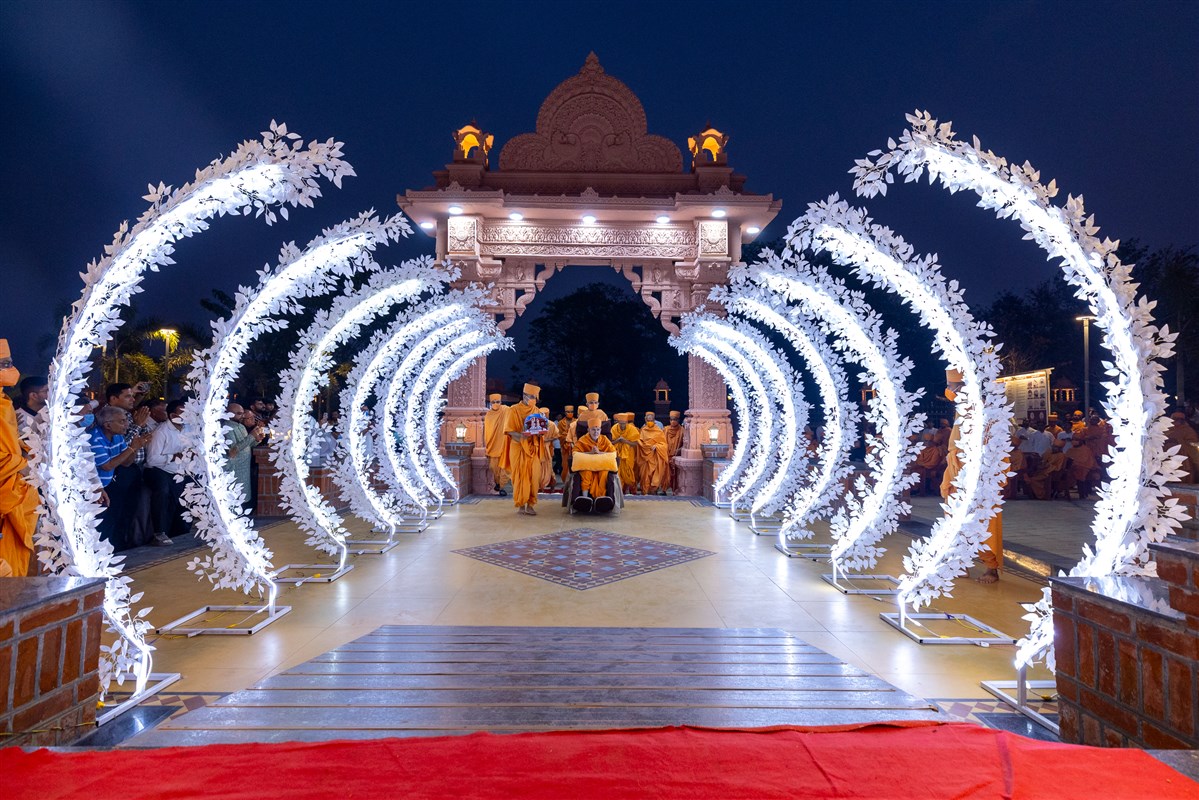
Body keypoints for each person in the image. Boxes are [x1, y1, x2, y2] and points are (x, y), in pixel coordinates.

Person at [939, 369, 1002, 583]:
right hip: (956, 469)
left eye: (951, 387)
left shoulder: (980, 408)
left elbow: (991, 441)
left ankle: (991, 568)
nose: (948, 391)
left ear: (963, 387)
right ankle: (960, 563)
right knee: (955, 517)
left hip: (977, 472)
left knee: (982, 518)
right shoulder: (960, 408)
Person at [89, 405, 153, 551]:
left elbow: (126, 462)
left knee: (115, 518)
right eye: (122, 421)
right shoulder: (95, 437)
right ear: (108, 425)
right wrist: (132, 448)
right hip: (94, 487)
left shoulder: (117, 436)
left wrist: (136, 447)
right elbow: (107, 466)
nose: (127, 424)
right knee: (100, 523)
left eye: (126, 420)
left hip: (109, 483)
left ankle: (114, 549)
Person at [0, 341, 39, 576]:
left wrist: (26, 449)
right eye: (5, 364)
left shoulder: (4, 401)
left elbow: (9, 441)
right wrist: (23, 465)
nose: (12, 369)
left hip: (13, 486)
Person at [144, 399, 189, 546]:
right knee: (163, 493)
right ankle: (159, 532)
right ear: (172, 415)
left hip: (181, 471)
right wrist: (173, 456)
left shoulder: (188, 429)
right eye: (183, 413)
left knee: (186, 498)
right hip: (160, 470)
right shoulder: (161, 432)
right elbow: (151, 460)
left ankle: (181, 532)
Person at [499, 383, 544, 516]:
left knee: (534, 477)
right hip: (518, 447)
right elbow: (509, 431)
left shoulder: (537, 411)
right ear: (524, 396)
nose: (534, 400)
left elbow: (540, 432)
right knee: (519, 476)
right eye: (532, 397)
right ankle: (520, 504)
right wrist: (523, 435)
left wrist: (541, 432)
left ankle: (531, 504)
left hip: (533, 447)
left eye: (535, 398)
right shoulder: (513, 410)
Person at [224, 402, 265, 513]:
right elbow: (232, 451)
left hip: (245, 468)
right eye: (239, 413)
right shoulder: (227, 427)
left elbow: (247, 445)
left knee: (244, 498)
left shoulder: (241, 426)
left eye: (242, 413)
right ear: (229, 413)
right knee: (235, 499)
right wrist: (252, 436)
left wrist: (257, 439)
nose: (242, 416)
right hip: (235, 468)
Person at [573, 417, 615, 513]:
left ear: (601, 430)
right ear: (588, 430)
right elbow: (575, 453)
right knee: (586, 473)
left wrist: (599, 453)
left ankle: (601, 500)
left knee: (604, 473)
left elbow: (613, 452)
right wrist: (590, 453)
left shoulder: (604, 439)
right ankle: (585, 499)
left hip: (601, 467)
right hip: (587, 466)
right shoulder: (583, 440)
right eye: (593, 430)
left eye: (598, 430)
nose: (596, 432)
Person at [482, 393, 510, 495]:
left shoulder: (506, 410)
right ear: (490, 403)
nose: (495, 404)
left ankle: (502, 487)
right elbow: (487, 431)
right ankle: (498, 483)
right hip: (492, 446)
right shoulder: (488, 415)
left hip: (505, 445)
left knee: (505, 468)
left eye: (497, 402)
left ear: (501, 402)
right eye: (493, 402)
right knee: (493, 467)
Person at [637, 412, 670, 495]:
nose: (650, 422)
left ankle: (653, 491)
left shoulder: (659, 431)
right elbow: (640, 442)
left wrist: (657, 446)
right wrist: (644, 445)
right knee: (645, 475)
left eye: (651, 420)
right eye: (648, 420)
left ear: (654, 420)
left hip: (655, 457)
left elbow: (664, 444)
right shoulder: (643, 430)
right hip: (645, 458)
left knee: (654, 474)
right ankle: (645, 491)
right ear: (646, 420)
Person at [14, 374, 48, 447]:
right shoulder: (19, 419)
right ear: (34, 396)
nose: (51, 393)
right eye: (46, 390)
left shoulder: (51, 411)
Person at [1165, 411, 1199, 483]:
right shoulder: (1166, 429)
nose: (1179, 421)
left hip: (1184, 458)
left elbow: (1193, 443)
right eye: (1176, 419)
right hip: (1167, 456)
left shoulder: (1188, 430)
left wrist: (1179, 442)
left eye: (1181, 419)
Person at [610, 413, 640, 494]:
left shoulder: (632, 429)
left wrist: (625, 441)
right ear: (618, 422)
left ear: (627, 422)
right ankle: (619, 491)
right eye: (620, 423)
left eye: (624, 423)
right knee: (618, 472)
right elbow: (610, 442)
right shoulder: (614, 428)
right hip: (617, 454)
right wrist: (618, 440)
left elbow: (636, 443)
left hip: (628, 454)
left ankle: (628, 490)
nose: (622, 425)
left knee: (628, 471)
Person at [911, 431, 946, 497]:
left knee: (920, 471)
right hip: (922, 467)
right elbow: (918, 460)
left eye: (929, 441)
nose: (928, 443)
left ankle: (917, 490)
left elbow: (933, 463)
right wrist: (921, 464)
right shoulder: (922, 449)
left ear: (933, 441)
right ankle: (913, 490)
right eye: (926, 441)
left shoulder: (936, 450)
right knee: (913, 470)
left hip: (931, 468)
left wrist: (922, 464)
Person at [538, 406, 559, 492]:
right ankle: (540, 486)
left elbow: (556, 436)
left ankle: (547, 485)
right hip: (537, 449)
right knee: (538, 468)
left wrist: (547, 440)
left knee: (548, 468)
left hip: (547, 449)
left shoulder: (551, 424)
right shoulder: (535, 424)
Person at [665, 410, 685, 494]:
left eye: (675, 419)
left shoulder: (682, 431)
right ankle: (664, 489)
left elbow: (686, 445)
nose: (673, 421)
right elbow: (661, 442)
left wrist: (679, 450)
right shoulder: (665, 429)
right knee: (665, 474)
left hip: (676, 456)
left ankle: (675, 490)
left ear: (678, 420)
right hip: (666, 456)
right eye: (671, 419)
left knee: (676, 475)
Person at [557, 405, 577, 485]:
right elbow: (559, 435)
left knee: (574, 465)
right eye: (568, 412)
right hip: (565, 448)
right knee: (565, 465)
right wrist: (568, 437)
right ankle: (565, 483)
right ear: (565, 413)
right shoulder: (560, 423)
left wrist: (573, 439)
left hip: (575, 447)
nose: (570, 413)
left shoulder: (576, 422)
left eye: (571, 412)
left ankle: (574, 483)